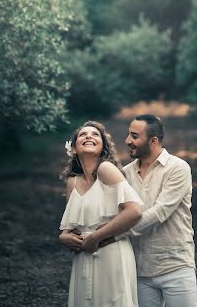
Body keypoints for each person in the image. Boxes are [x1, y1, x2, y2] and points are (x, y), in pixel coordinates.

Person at [58, 120, 143, 307]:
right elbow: (69, 228)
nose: (89, 136)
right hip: (83, 258)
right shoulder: (72, 182)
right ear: (73, 148)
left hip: (112, 253)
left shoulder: (106, 169)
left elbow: (134, 211)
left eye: (95, 134)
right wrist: (63, 238)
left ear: (103, 147)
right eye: (83, 134)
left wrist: (96, 237)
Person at [123, 114, 197, 307]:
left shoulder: (178, 168)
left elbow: (160, 212)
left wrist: (113, 233)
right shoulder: (125, 173)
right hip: (139, 270)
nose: (127, 141)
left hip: (175, 265)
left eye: (134, 136)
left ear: (153, 141)